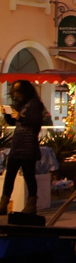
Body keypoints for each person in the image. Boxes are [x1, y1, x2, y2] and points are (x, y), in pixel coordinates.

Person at [1, 80, 46, 215]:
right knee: (10, 175)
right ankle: (4, 202)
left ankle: (31, 204)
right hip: (17, 143)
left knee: (28, 175)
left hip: (28, 144)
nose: (16, 94)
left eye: (18, 91)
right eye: (14, 91)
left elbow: (35, 122)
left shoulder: (35, 104)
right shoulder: (21, 105)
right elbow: (14, 122)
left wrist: (20, 116)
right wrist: (7, 113)